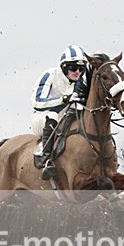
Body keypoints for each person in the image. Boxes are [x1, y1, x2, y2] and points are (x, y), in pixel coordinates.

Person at [31, 45, 90, 180]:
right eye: (73, 68)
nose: (77, 72)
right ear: (64, 67)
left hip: (67, 120)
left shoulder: (81, 82)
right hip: (42, 118)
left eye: (81, 69)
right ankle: (46, 160)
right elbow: (36, 102)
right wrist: (64, 99)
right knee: (53, 115)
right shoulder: (50, 75)